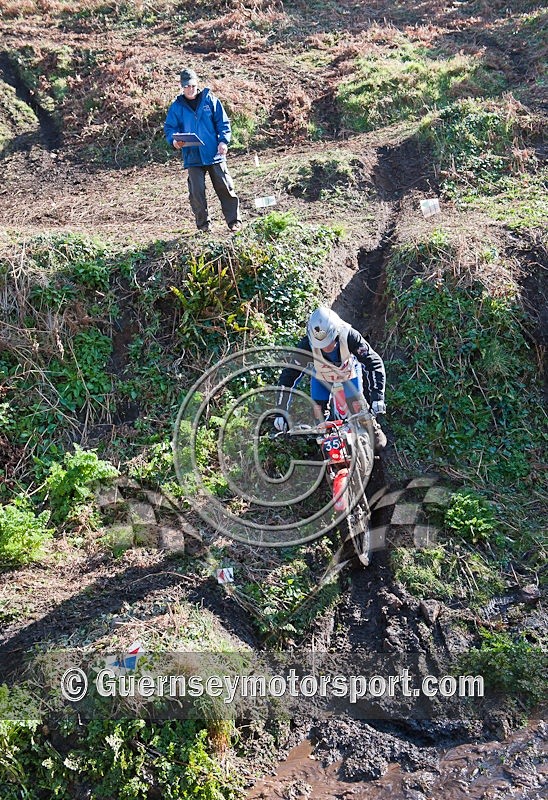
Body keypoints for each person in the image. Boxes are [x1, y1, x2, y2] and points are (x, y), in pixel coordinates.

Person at [273, 306, 387, 450]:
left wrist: (377, 397)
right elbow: (289, 375)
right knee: (319, 418)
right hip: (322, 377)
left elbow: (374, 362)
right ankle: (326, 449)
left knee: (360, 412)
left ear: (336, 333)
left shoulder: (350, 335)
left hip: (348, 373)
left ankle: (372, 426)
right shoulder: (306, 345)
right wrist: (281, 411)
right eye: (320, 345)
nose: (325, 348)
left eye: (329, 343)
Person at [164, 68, 242, 233]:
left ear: (197, 84)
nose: (190, 89)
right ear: (181, 87)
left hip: (214, 153)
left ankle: (234, 221)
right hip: (192, 156)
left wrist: (223, 141)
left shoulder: (210, 100)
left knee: (225, 187)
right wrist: (174, 141)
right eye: (187, 86)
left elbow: (223, 123)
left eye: (192, 85)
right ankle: (204, 225)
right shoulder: (176, 107)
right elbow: (170, 128)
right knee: (197, 193)